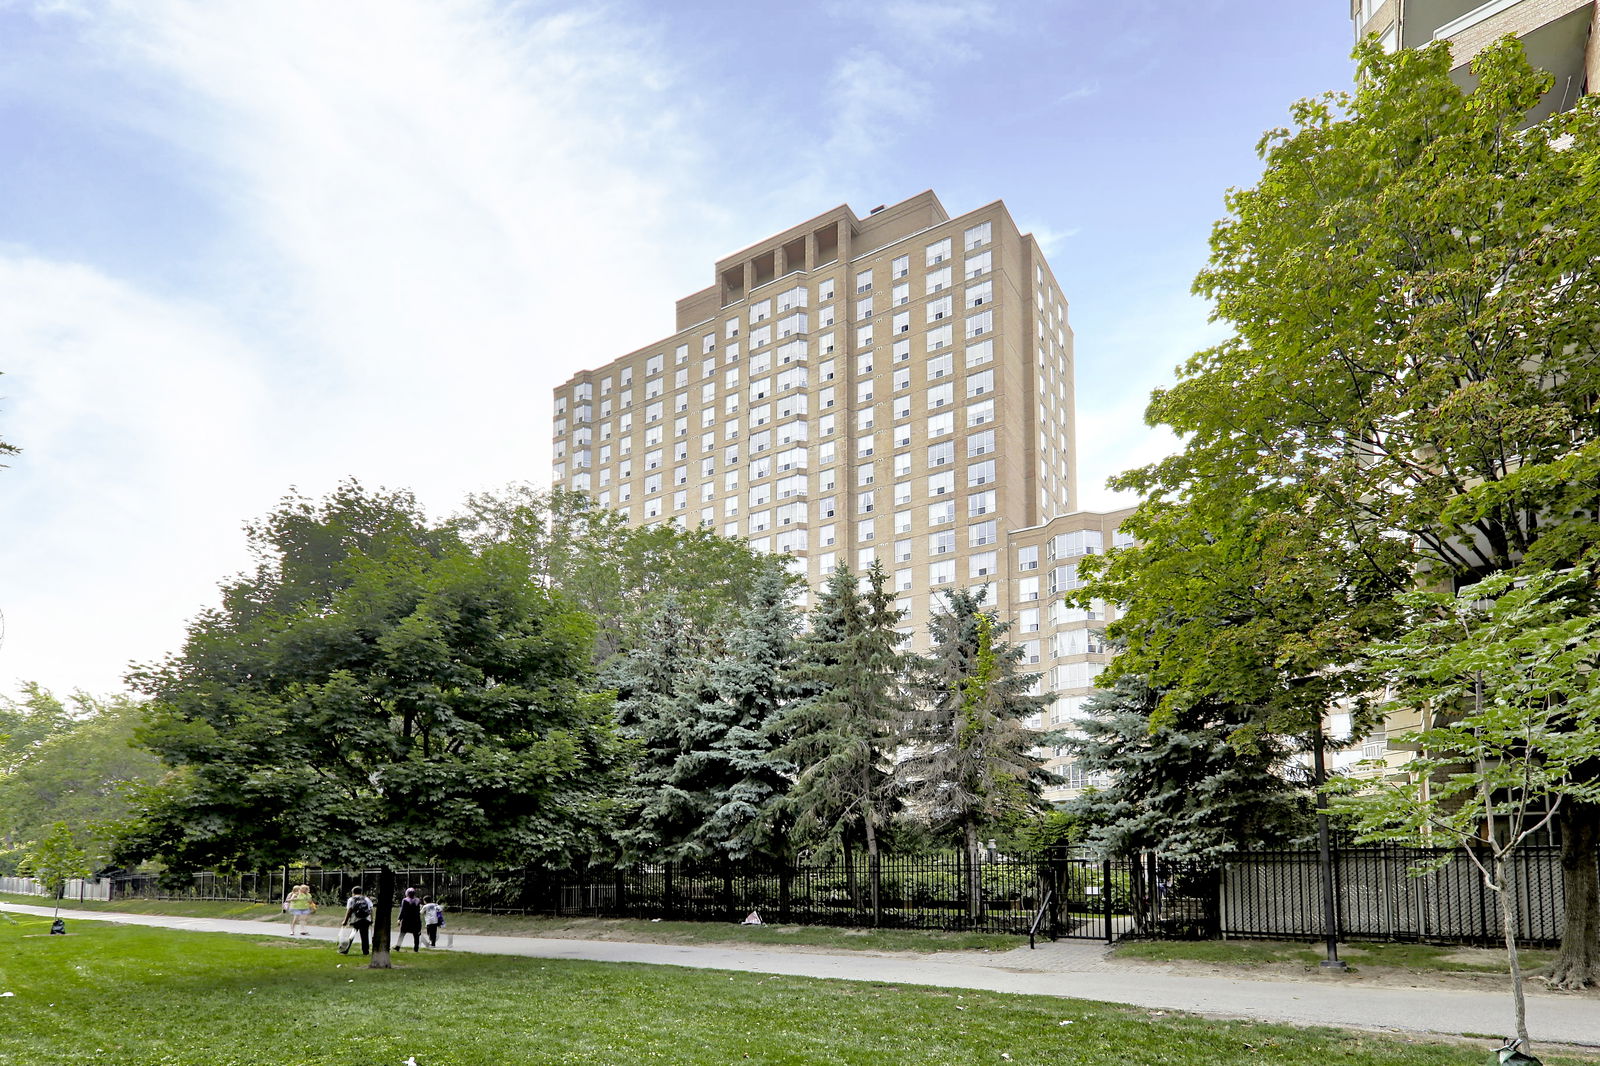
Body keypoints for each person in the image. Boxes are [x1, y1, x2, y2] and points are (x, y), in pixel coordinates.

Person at [341, 886, 374, 955]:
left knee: (353, 933)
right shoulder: (366, 899)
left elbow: (349, 910)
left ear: (353, 892)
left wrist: (345, 921)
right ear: (361, 892)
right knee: (365, 936)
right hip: (365, 919)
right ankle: (365, 951)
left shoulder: (351, 899)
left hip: (356, 919)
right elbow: (371, 909)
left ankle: (346, 949)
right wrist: (372, 919)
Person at [394, 887, 423, 953]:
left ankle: (398, 947)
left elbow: (402, 911)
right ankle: (416, 949)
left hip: (406, 920)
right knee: (416, 935)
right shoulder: (418, 900)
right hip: (416, 920)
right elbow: (418, 911)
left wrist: (399, 919)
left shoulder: (405, 900)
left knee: (402, 934)